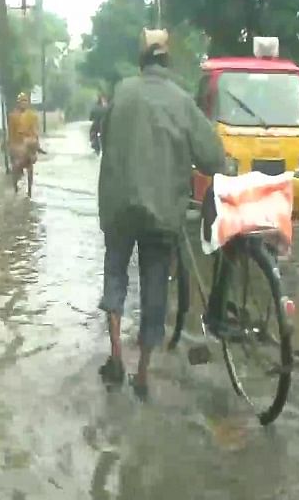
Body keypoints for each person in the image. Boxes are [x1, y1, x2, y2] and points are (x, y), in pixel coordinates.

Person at [97, 41, 225, 399]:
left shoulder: (122, 92)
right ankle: (142, 375)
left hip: (119, 207)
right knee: (155, 287)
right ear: (167, 63)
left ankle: (116, 358)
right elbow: (213, 156)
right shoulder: (182, 100)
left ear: (141, 63)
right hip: (162, 212)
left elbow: (104, 139)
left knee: (115, 275)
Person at [7, 92, 42, 197]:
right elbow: (11, 132)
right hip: (17, 145)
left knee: (30, 167)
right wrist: (10, 145)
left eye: (25, 101)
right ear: (18, 103)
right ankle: (15, 188)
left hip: (28, 145)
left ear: (28, 103)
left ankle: (30, 190)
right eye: (21, 101)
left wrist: (36, 142)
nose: (23, 103)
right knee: (15, 167)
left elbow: (35, 130)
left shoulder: (32, 116)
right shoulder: (13, 116)